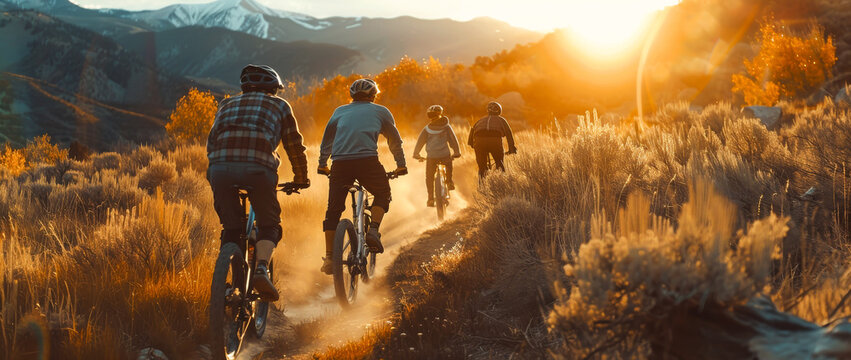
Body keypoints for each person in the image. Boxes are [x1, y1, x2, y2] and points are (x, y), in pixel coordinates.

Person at [206, 64, 310, 301]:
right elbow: (293, 145)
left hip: (220, 169)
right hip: (259, 169)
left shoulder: (226, 104)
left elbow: (212, 141)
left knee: (231, 229)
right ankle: (261, 268)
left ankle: (229, 283)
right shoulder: (280, 105)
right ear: (273, 88)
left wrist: (213, 173)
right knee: (269, 225)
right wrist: (301, 178)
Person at [318, 78, 407, 274]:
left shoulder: (339, 111)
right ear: (373, 95)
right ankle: (373, 230)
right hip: (367, 161)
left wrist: (322, 164)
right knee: (382, 194)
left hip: (340, 164)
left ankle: (330, 258)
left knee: (333, 210)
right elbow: (394, 140)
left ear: (352, 96)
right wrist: (401, 165)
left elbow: (327, 139)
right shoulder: (380, 111)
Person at [412, 105, 461, 207]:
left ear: (429, 116)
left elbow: (419, 143)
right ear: (440, 114)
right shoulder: (447, 127)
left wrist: (416, 154)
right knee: (448, 165)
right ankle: (449, 181)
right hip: (444, 155)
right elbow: (453, 140)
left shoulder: (426, 129)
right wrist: (456, 152)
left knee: (429, 177)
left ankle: (430, 198)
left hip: (431, 157)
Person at [467, 101, 516, 178]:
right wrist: (512, 148)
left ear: (488, 110)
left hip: (479, 142)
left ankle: (482, 186)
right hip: (495, 141)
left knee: (482, 167)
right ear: (499, 111)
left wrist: (473, 146)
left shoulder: (480, 120)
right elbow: (509, 134)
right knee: (500, 165)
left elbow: (471, 133)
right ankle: (501, 183)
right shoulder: (501, 120)